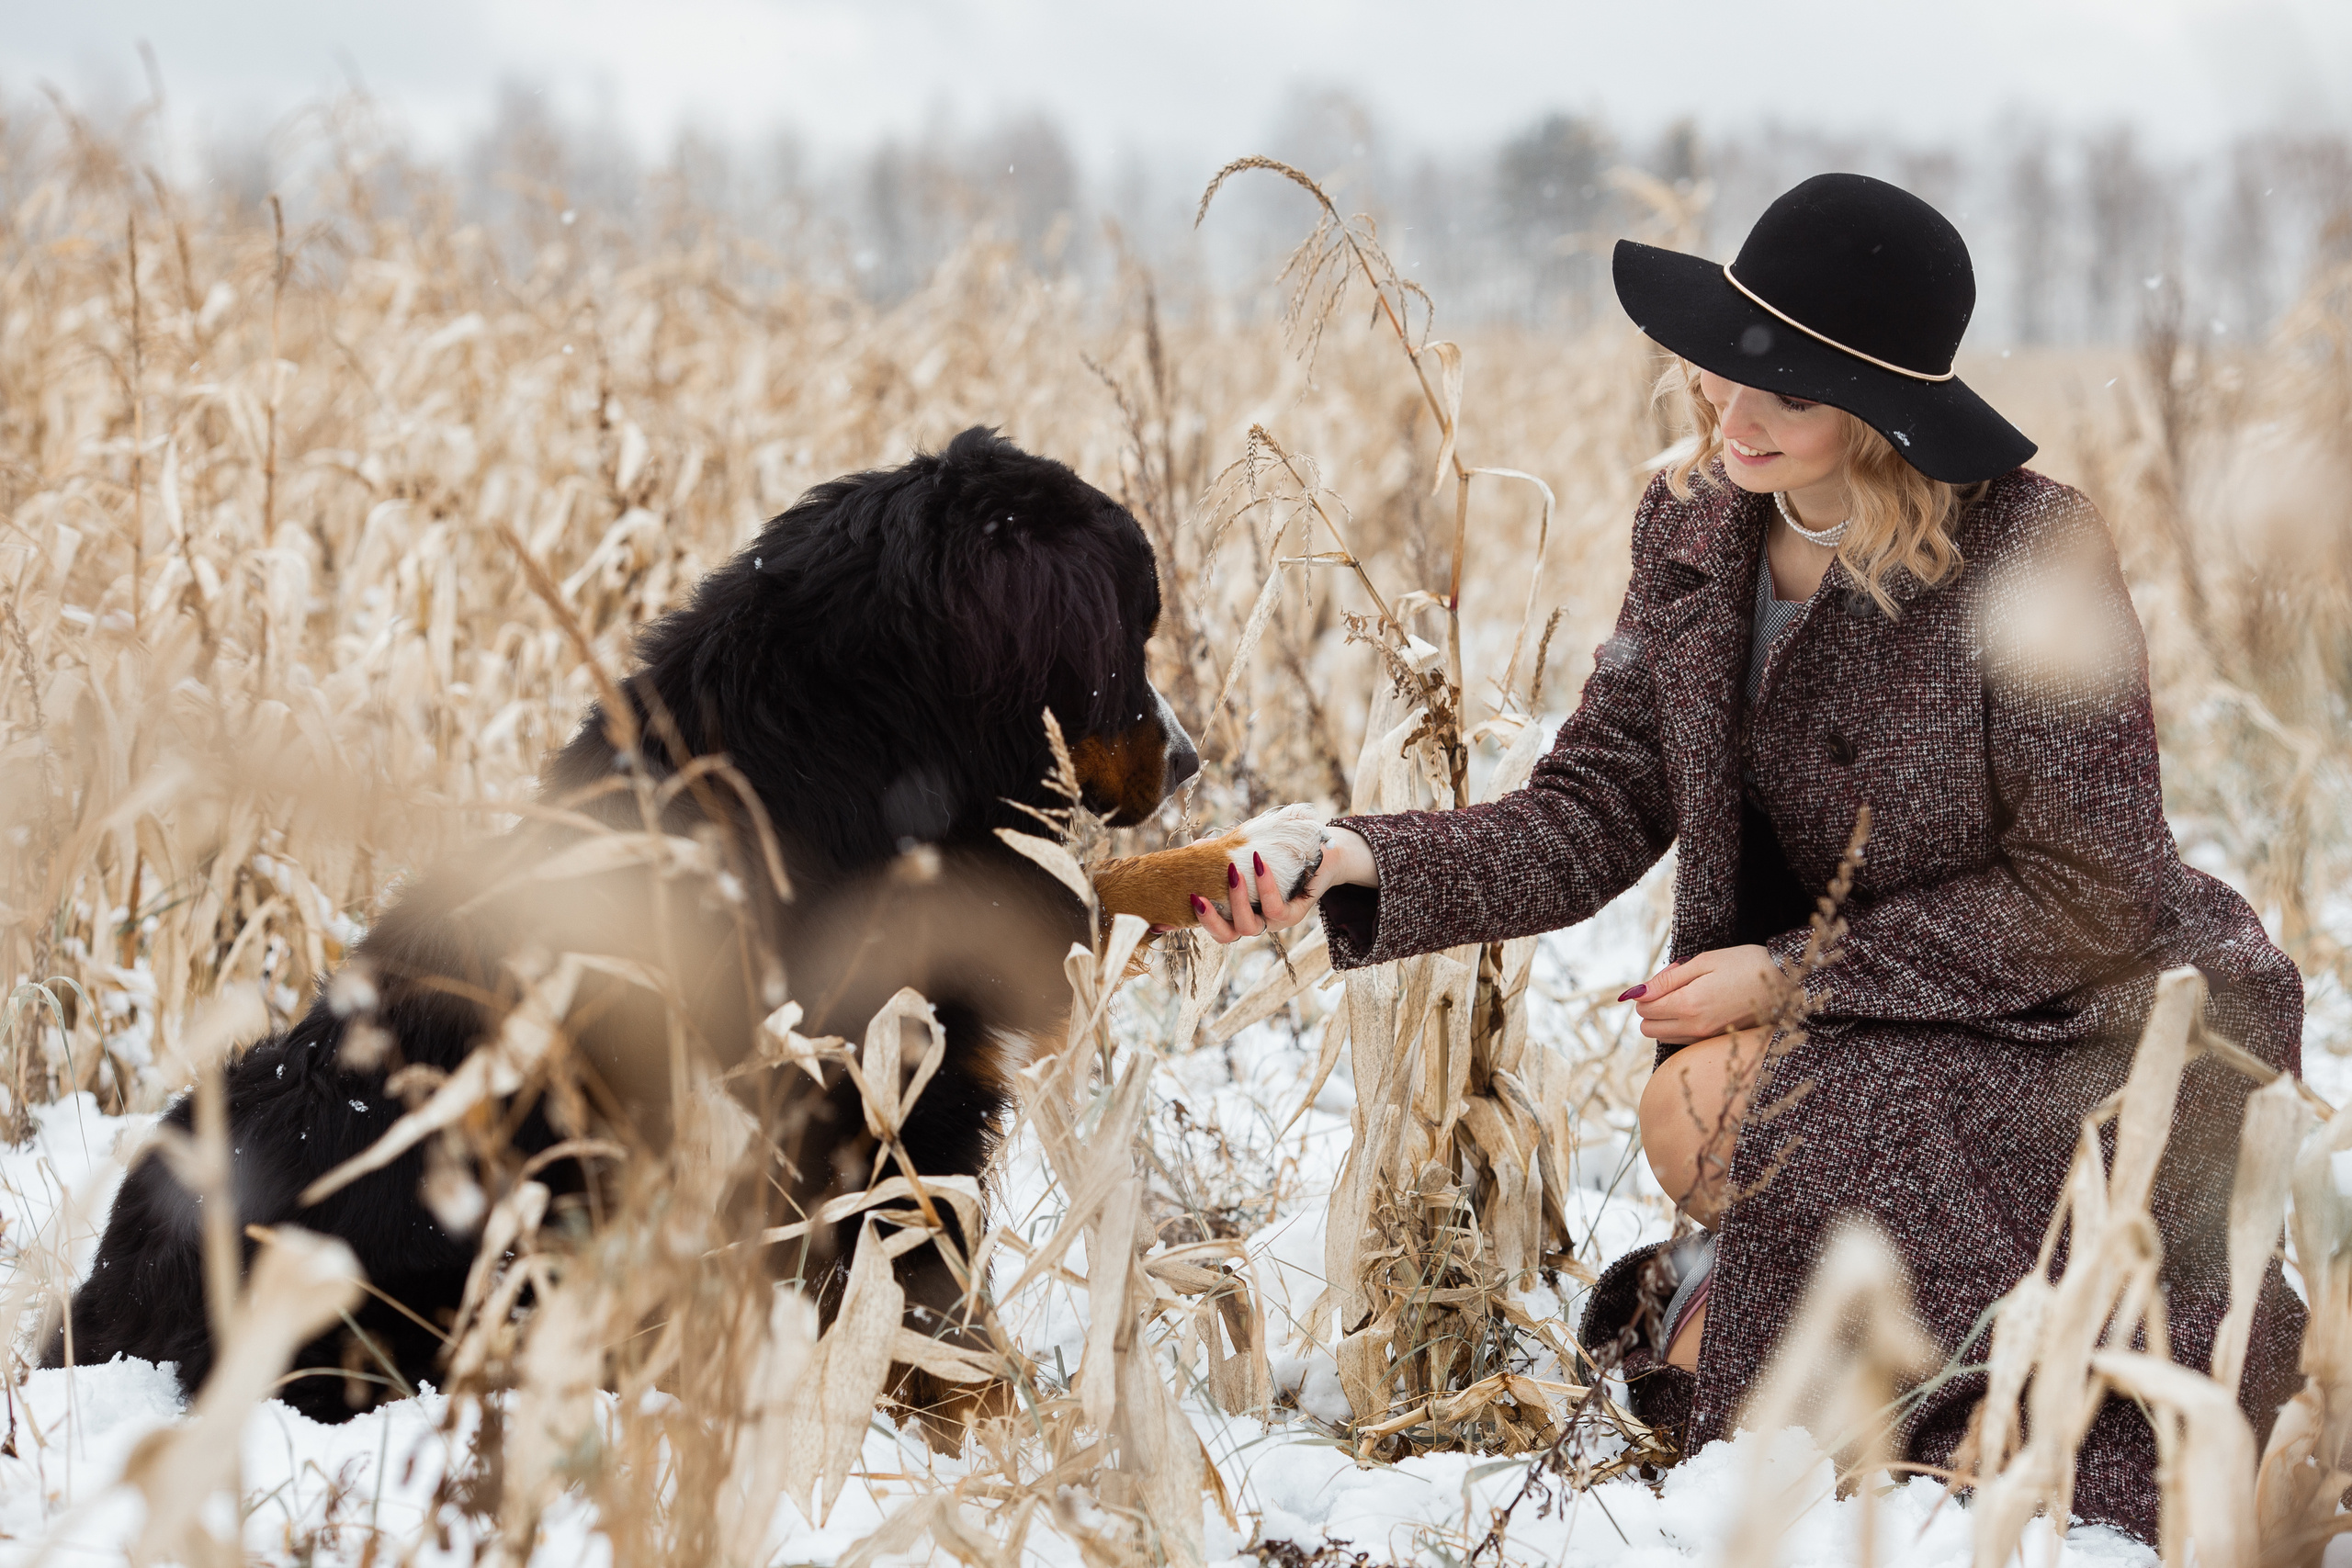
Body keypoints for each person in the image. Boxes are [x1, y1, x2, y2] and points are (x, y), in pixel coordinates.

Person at [1193, 173, 2306, 1541]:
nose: (1732, 416)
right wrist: (1353, 856)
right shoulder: (1692, 526)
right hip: (1857, 1024)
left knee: (1746, 1131)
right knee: (1707, 1124)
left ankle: (1955, 1379)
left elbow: (2099, 888)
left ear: (1889, 409)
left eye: (1786, 392)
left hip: (2073, 1010)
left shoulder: (2030, 546)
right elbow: (1594, 803)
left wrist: (1788, 975)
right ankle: (1795, 1328)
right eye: (1726, 372)